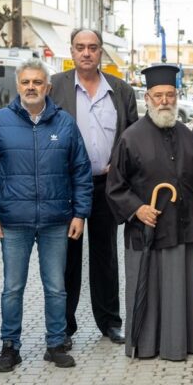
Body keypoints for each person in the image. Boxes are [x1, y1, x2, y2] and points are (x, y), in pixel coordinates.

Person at [0, 58, 93, 372]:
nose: (31, 87)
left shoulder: (65, 124)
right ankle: (10, 347)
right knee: (13, 288)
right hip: (14, 221)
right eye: (26, 82)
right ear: (18, 86)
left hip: (56, 221)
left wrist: (80, 214)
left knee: (56, 287)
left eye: (37, 82)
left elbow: (81, 171)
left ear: (48, 87)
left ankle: (55, 344)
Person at [106, 64, 193, 361]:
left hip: (184, 228)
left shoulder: (189, 136)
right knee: (148, 289)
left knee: (182, 289)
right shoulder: (130, 137)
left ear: (177, 96)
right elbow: (115, 186)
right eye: (158, 95)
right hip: (146, 229)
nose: (165, 101)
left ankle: (182, 344)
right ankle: (148, 345)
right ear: (148, 98)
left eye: (170, 95)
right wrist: (137, 209)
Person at [50, 29, 138, 345]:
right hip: (67, 186)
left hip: (106, 185)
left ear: (101, 52)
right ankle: (64, 326)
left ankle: (110, 322)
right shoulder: (54, 87)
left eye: (92, 47)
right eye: (80, 47)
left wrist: (122, 166)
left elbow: (133, 137)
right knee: (67, 256)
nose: (86, 53)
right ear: (71, 51)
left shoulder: (121, 90)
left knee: (105, 256)